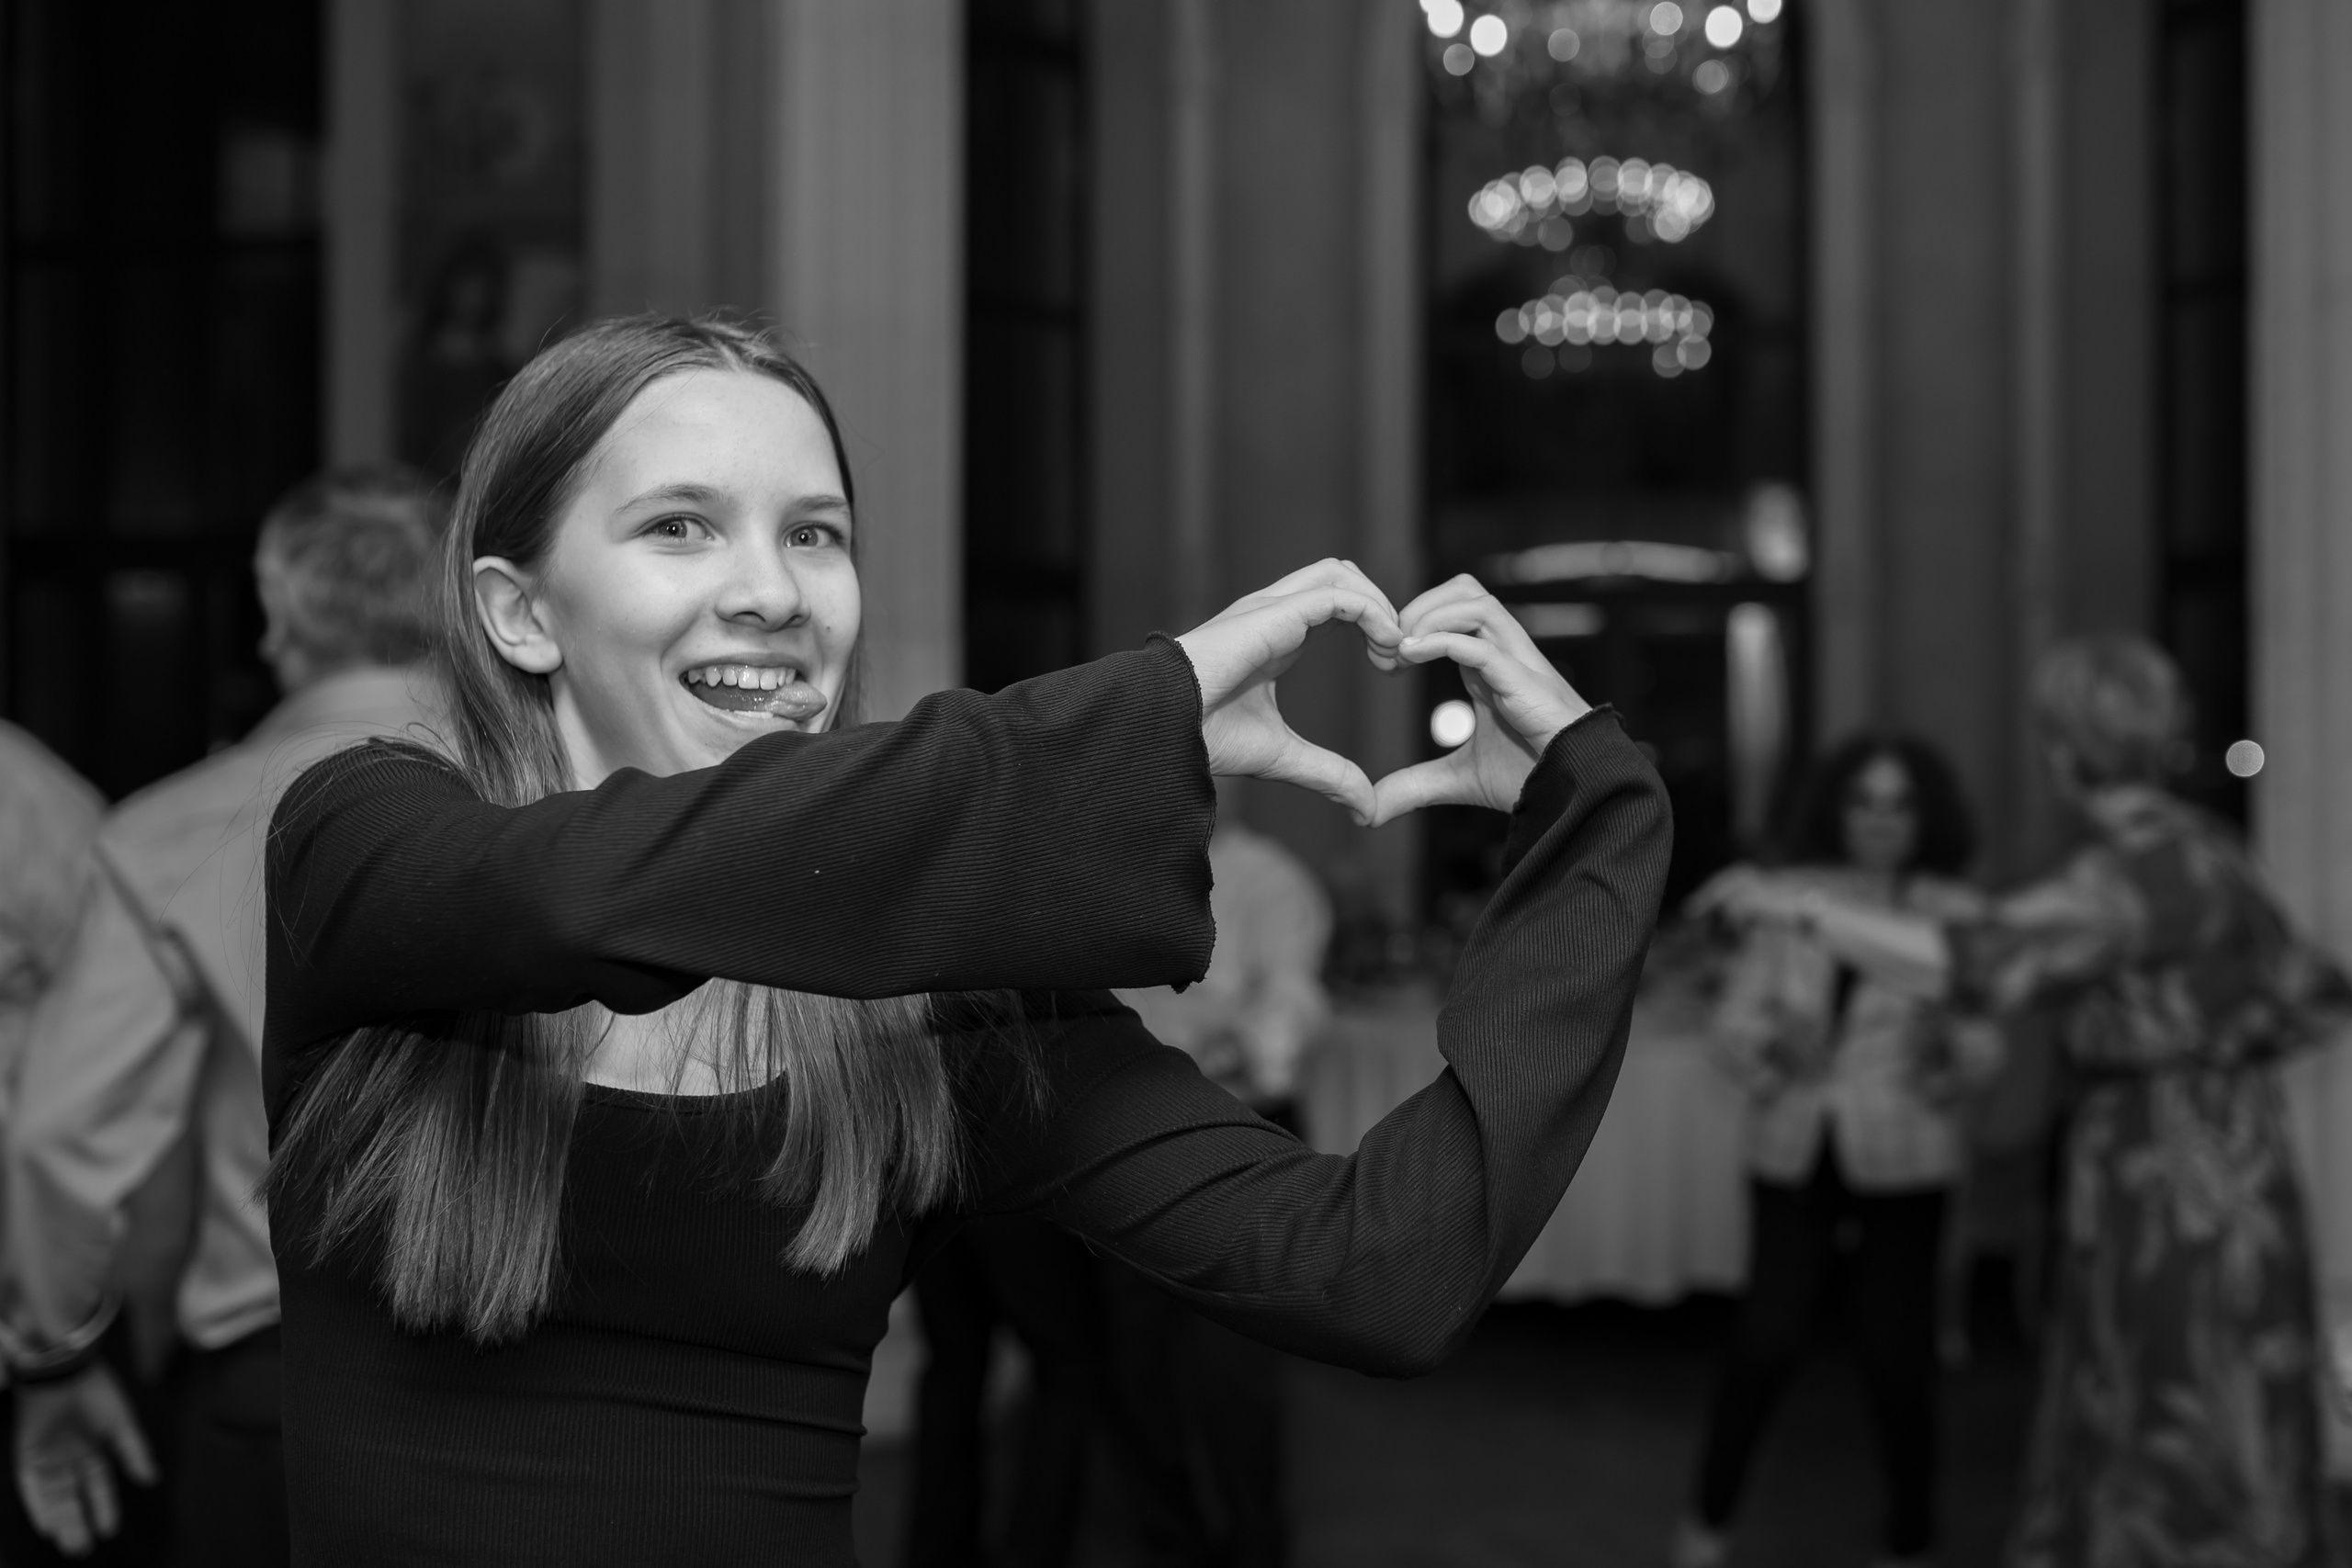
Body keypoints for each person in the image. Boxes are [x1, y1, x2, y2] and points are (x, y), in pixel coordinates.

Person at [255, 313, 1670, 1566]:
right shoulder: (363, 834)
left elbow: (1383, 1271)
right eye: (681, 524)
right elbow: (575, 899)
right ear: (519, 612)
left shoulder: (940, 1013)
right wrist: (1150, 712)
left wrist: (1590, 828)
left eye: (814, 531)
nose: (774, 590)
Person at [1700, 637, 2349, 1568]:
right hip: (2240, 1159)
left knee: (2171, 1405)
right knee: (2220, 1393)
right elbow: (2315, 994)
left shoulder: (2126, 873)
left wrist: (1795, 907)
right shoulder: (2209, 852)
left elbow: (1966, 961)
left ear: (2063, 750)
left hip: (2168, 1178)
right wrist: (2203, 1044)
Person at [3, 467, 448, 1566]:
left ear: (276, 606)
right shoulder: (566, 803)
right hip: (549, 1380)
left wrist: (54, 1360)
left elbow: (65, 1139)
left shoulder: (172, 831)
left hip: (279, 1379)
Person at [1672, 735, 2003, 1568]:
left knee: (1897, 1353)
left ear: (1926, 816)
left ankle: (1911, 1537)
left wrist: (1948, 1054)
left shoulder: (1953, 911)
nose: (1882, 821)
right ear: (1837, 809)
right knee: (1765, 1339)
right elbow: (1728, 1026)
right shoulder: (1791, 900)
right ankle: (1705, 1525)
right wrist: (1772, 1046)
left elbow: (1988, 1046)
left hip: (1906, 1150)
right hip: (1793, 1145)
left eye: (1900, 804)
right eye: (1865, 801)